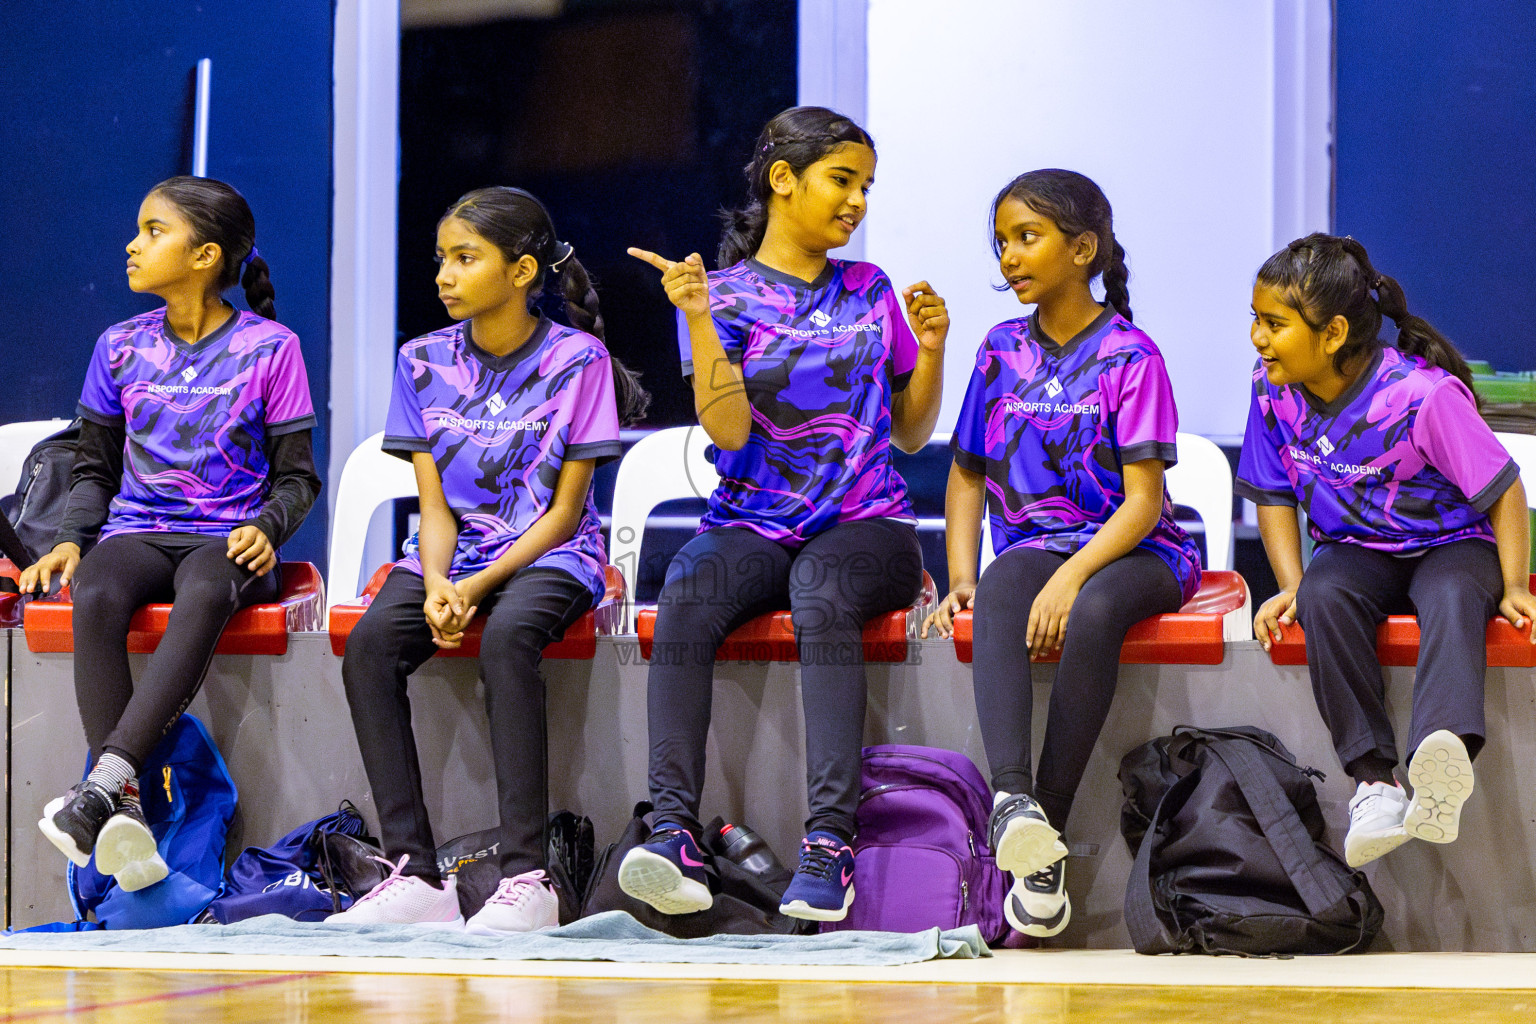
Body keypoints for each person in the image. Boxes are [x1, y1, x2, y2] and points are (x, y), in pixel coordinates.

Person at [618, 106, 948, 922]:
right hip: (752, 520)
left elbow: (910, 430)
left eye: (866, 186)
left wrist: (934, 349)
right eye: (843, 181)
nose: (857, 202)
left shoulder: (870, 291)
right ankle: (672, 834)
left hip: (866, 523)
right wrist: (696, 317)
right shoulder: (721, 297)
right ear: (782, 180)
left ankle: (830, 844)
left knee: (822, 593)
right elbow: (727, 430)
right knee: (689, 593)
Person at [329, 187, 647, 932]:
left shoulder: (579, 360)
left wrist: (473, 587)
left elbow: (565, 513)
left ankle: (528, 877)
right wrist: (439, 582)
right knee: (370, 647)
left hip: (553, 553)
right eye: (442, 258)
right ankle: (413, 873)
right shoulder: (422, 360)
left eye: (464, 258)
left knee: (507, 641)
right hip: (452, 554)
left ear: (521, 269)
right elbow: (433, 507)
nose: (443, 274)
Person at [922, 169, 1202, 938]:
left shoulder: (1131, 355)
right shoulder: (999, 349)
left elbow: (1144, 504)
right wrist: (958, 578)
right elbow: (966, 474)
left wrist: (1075, 576)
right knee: (1003, 583)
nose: (1010, 256)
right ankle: (1014, 804)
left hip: (1137, 551)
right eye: (1003, 241)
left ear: (1083, 249)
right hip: (1038, 552)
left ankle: (1045, 828)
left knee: (1099, 609)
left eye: (1027, 237)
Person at [23, 177, 319, 892]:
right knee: (93, 589)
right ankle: (119, 800)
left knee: (207, 588)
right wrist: (70, 537)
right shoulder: (117, 346)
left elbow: (298, 479)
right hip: (139, 530)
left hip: (228, 540)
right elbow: (93, 465)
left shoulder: (271, 347)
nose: (132, 244)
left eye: (154, 231)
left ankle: (105, 784)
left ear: (205, 255)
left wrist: (267, 528)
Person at [1237, 232, 1533, 868]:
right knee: (1323, 594)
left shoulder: (1421, 396)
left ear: (1334, 332)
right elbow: (1272, 495)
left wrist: (1512, 585)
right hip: (1357, 549)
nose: (1258, 338)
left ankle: (1440, 761)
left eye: (1275, 323)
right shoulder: (1271, 392)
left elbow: (1504, 491)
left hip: (1450, 543)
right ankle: (1374, 780)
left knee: (1454, 597)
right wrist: (1290, 584)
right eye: (1255, 321)